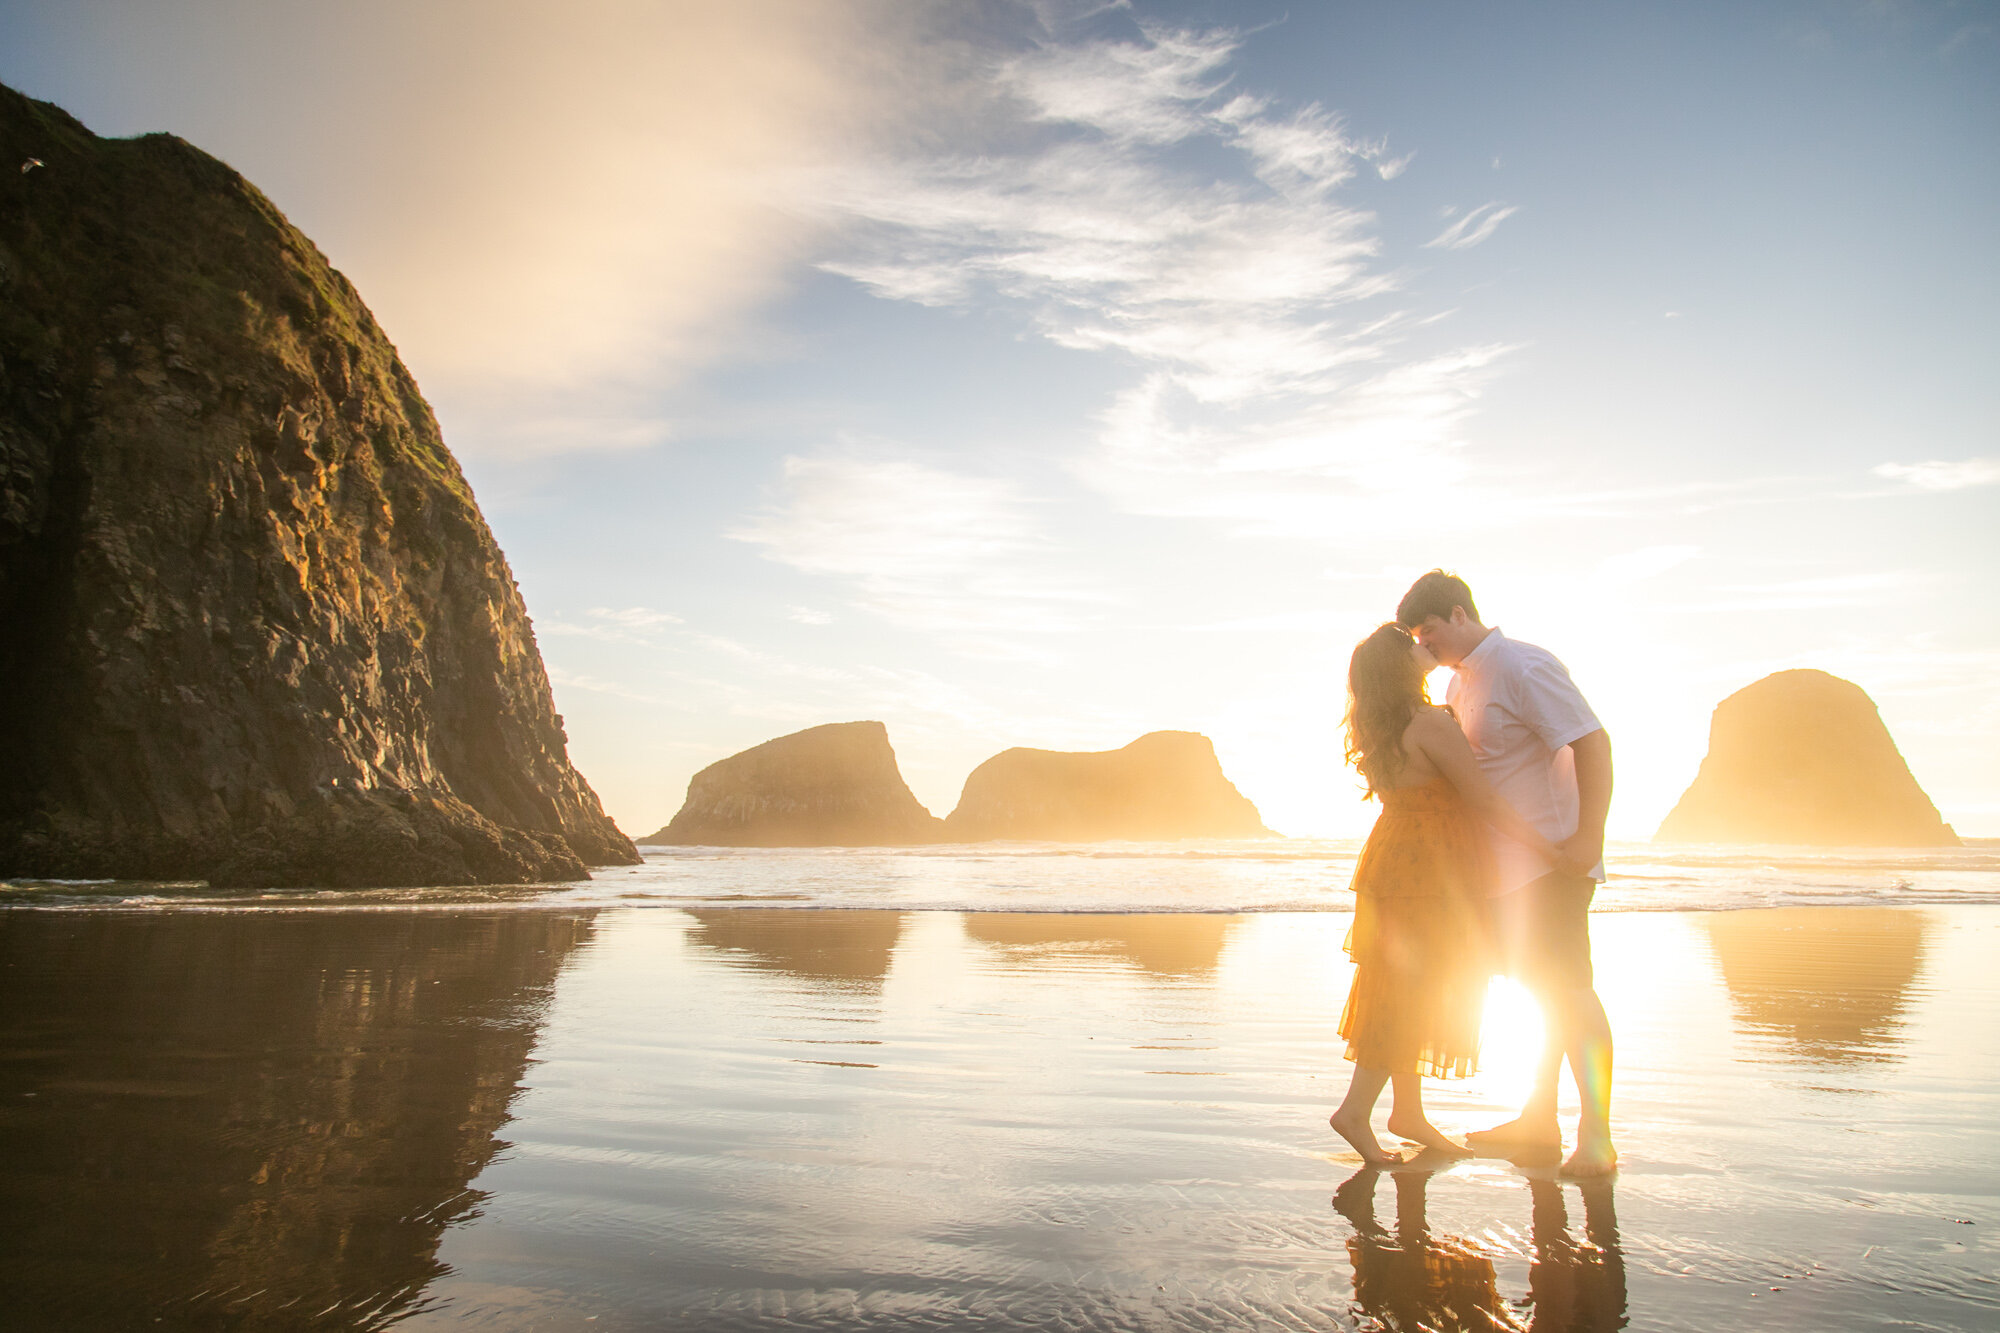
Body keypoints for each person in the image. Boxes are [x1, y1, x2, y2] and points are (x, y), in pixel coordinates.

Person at [1396, 570, 1617, 1177]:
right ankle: (1538, 1121)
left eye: (1430, 630)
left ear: (1461, 614)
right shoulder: (1461, 681)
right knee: (1540, 995)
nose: (1426, 645)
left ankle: (1596, 1136)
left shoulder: (1523, 665)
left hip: (1551, 863)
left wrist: (1588, 835)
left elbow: (1592, 743)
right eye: (1416, 636)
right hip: (1503, 874)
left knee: (1570, 992)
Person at [1329, 623, 1566, 1163]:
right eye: (1411, 643)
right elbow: (1480, 796)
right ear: (1400, 665)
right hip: (1431, 868)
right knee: (1417, 988)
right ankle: (1355, 1111)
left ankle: (1407, 1113)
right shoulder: (1429, 723)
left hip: (1394, 860)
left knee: (1404, 981)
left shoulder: (1378, 727)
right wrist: (1549, 846)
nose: (1424, 645)